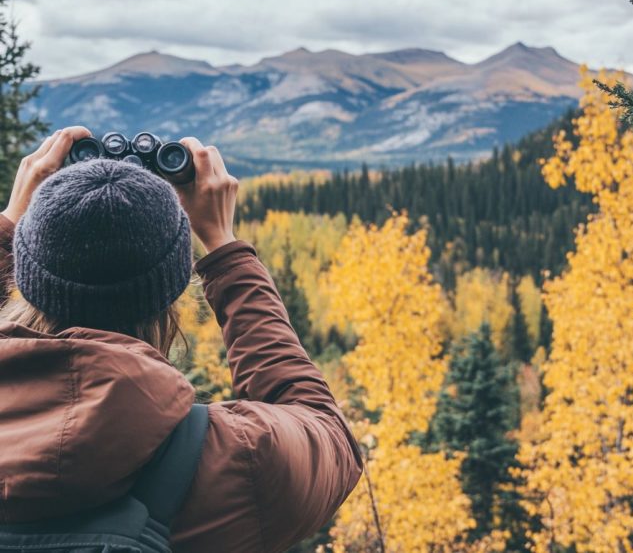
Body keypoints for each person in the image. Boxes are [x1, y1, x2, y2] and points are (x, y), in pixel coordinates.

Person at [0, 126, 363, 552]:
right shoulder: (240, 459)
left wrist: (9, 224)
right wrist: (225, 249)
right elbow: (326, 432)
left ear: (25, 273)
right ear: (171, 295)